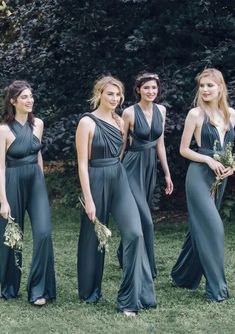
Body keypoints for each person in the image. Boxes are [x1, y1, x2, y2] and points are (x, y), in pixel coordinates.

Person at [76, 75, 156, 316]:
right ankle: (89, 291)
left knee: (135, 233)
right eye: (110, 93)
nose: (115, 98)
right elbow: (82, 164)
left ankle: (130, 298)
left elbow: (120, 154)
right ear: (99, 94)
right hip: (96, 178)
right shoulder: (86, 123)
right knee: (93, 239)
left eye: (118, 94)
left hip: (119, 178)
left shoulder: (121, 122)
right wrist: (88, 199)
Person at [171, 68, 235, 301]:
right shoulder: (195, 114)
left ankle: (183, 276)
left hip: (220, 178)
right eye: (202, 86)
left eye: (210, 85)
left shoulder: (232, 114)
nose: (205, 90)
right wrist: (207, 158)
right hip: (198, 176)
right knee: (214, 228)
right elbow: (184, 149)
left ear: (220, 87)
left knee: (199, 228)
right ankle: (217, 289)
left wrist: (233, 166)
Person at [0, 80, 56, 305]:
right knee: (12, 236)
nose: (29, 100)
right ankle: (9, 285)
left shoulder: (38, 124)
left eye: (31, 96)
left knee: (44, 233)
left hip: (35, 182)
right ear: (13, 101)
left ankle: (39, 289)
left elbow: (38, 153)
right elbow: (0, 167)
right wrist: (3, 201)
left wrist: (41, 181)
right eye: (24, 97)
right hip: (12, 181)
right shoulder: (3, 130)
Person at [117, 72, 173, 278]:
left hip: (150, 168)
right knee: (147, 220)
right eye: (146, 88)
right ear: (138, 89)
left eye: (154, 88)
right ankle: (147, 266)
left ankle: (124, 255)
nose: (151, 91)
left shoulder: (161, 110)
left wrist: (166, 174)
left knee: (140, 216)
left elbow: (160, 144)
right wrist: (116, 168)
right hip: (131, 166)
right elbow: (122, 145)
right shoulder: (129, 113)